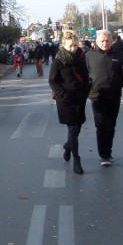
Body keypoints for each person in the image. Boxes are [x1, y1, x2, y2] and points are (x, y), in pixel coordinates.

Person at [49, 31, 90, 175]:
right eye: (70, 46)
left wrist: (86, 91)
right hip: (66, 100)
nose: (73, 48)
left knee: (78, 128)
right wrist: (63, 94)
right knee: (72, 129)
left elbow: (86, 77)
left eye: (75, 45)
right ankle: (77, 160)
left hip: (80, 98)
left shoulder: (81, 58)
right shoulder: (59, 61)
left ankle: (67, 147)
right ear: (64, 45)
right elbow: (53, 81)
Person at [86, 30, 123, 167]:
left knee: (111, 125)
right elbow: (84, 75)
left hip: (114, 95)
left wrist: (122, 82)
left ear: (112, 41)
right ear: (97, 42)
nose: (105, 43)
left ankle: (108, 152)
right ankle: (103, 154)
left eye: (107, 41)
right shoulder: (89, 56)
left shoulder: (119, 55)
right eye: (102, 41)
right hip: (97, 96)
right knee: (100, 125)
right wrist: (88, 89)